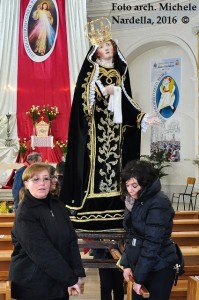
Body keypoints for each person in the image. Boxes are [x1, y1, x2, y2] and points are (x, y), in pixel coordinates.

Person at [60, 17, 158, 231]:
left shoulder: (118, 73)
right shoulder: (91, 71)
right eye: (102, 46)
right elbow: (83, 100)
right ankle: (89, 205)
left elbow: (126, 100)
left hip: (115, 129)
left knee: (116, 165)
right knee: (94, 165)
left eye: (109, 46)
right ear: (95, 51)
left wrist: (142, 117)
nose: (107, 49)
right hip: (94, 131)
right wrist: (104, 90)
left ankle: (116, 204)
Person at [9, 163, 85, 300]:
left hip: (59, 282)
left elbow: (71, 240)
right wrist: (70, 278)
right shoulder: (25, 214)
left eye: (46, 179)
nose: (42, 183)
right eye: (36, 179)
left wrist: (78, 272)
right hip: (33, 285)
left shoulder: (58, 206)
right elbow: (43, 253)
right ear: (26, 183)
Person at [120, 159, 178, 300]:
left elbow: (152, 243)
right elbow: (131, 234)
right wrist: (126, 264)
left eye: (134, 185)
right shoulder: (135, 200)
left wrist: (139, 278)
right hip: (141, 266)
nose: (130, 189)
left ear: (145, 183)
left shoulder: (159, 202)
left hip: (159, 267)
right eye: (127, 185)